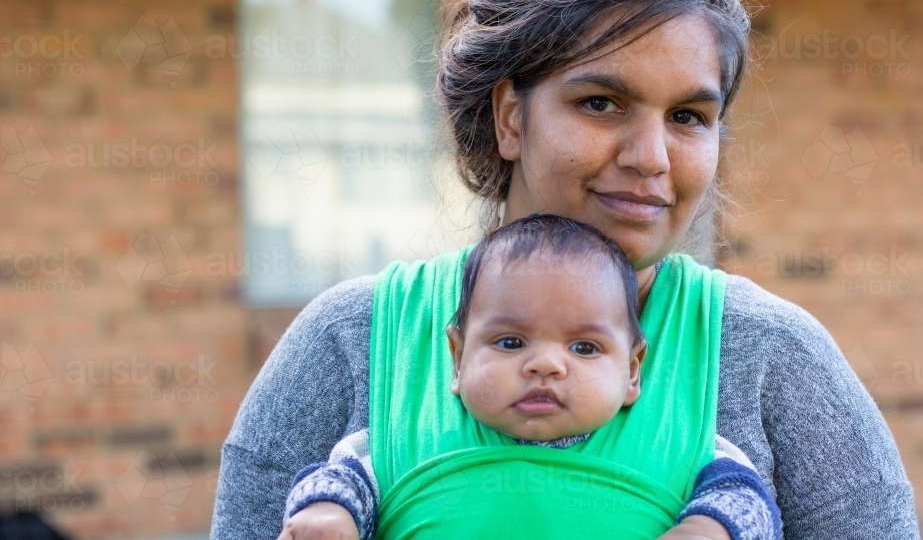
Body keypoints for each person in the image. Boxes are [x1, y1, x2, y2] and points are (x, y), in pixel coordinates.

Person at [211, 0, 919, 540]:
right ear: (511, 118)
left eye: (688, 118)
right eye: (602, 102)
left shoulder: (772, 356)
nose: (651, 157)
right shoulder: (351, 340)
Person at [277, 214, 781, 540]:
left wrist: (709, 525)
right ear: (457, 358)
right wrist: (331, 513)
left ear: (632, 370)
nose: (546, 365)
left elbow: (745, 496)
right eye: (511, 343)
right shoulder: (407, 440)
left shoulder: (683, 446)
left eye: (584, 347)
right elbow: (340, 478)